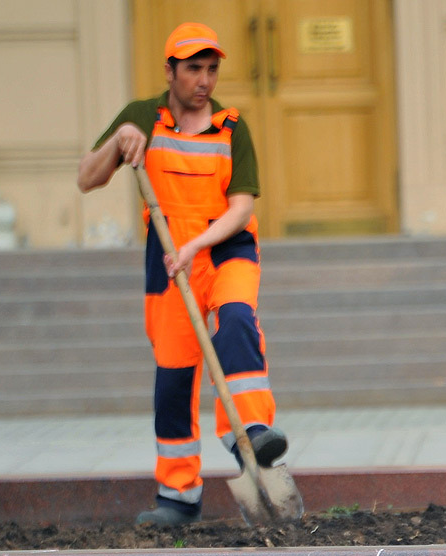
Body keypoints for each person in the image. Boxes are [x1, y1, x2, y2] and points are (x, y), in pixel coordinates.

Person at [77, 23, 288, 526]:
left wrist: (195, 245)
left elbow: (240, 208)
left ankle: (252, 434)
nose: (205, 80)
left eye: (212, 69)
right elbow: (88, 177)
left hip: (222, 247)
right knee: (173, 375)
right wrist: (121, 142)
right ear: (170, 70)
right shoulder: (140, 117)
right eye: (194, 68)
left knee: (237, 321)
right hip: (166, 258)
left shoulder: (233, 127)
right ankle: (177, 496)